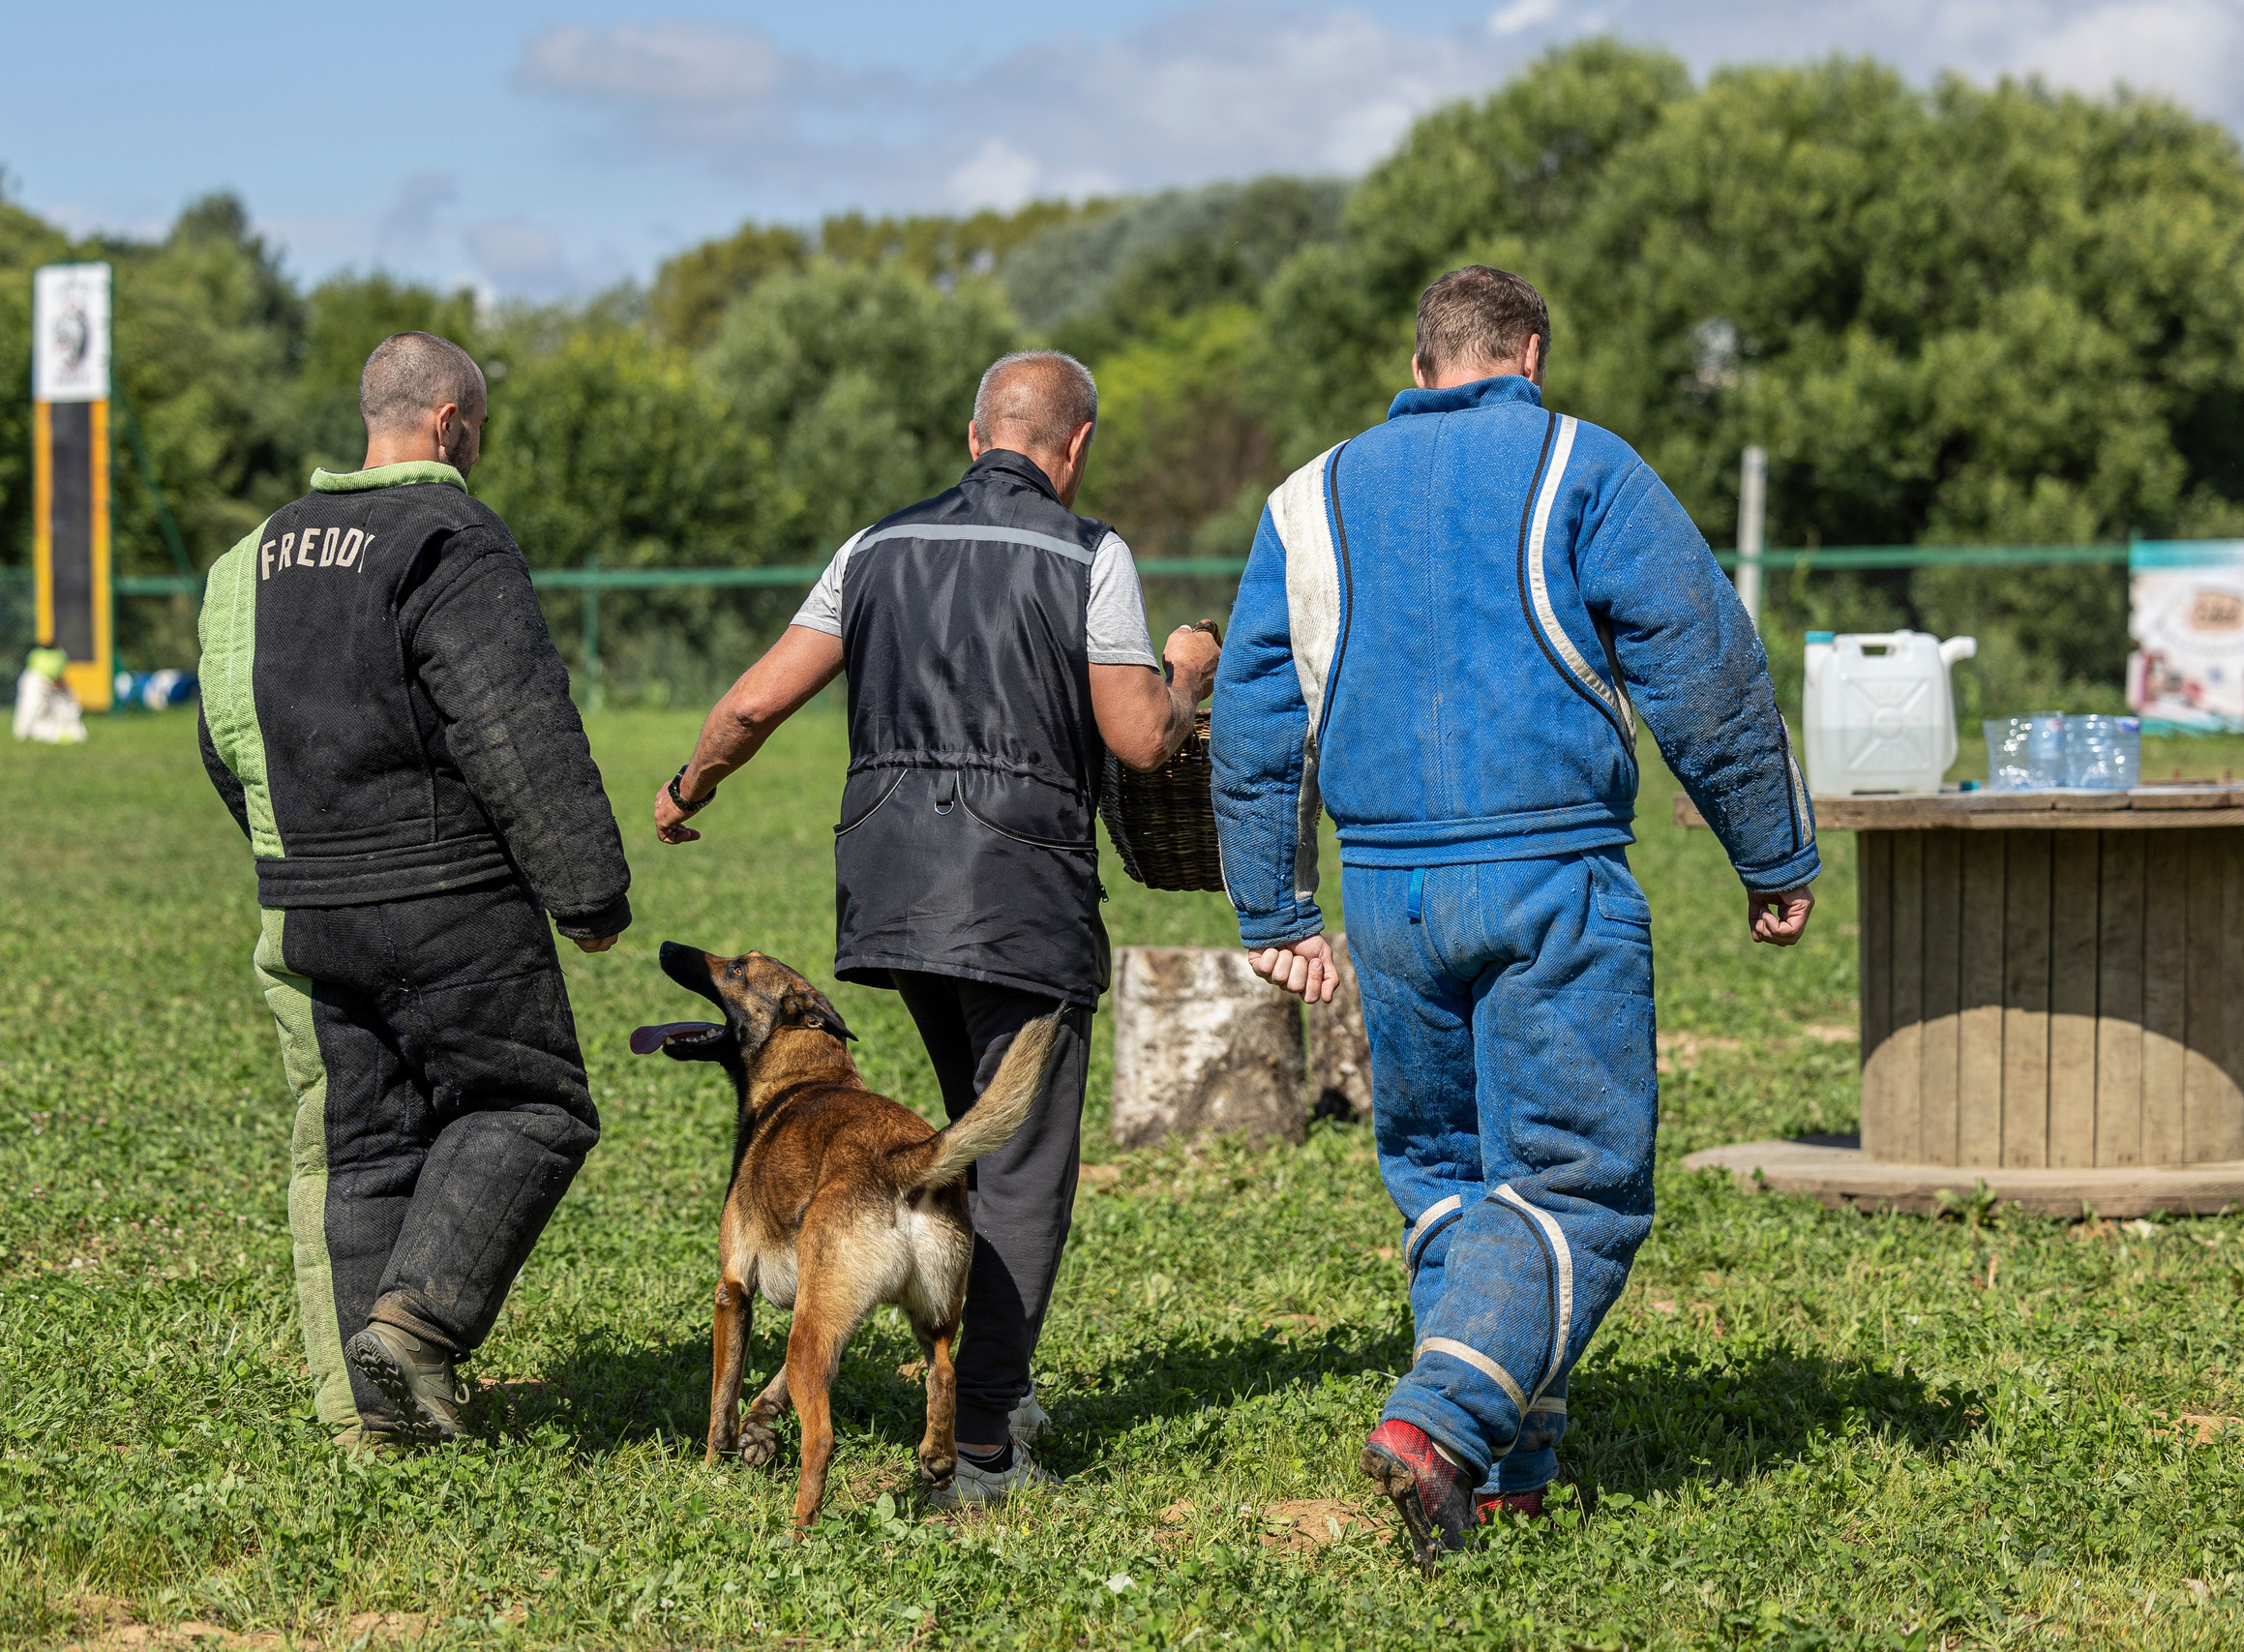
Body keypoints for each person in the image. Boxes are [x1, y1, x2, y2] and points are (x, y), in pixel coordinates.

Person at [1210, 266, 1816, 1559]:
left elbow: (1255, 716)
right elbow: (1701, 657)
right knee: (1578, 1176)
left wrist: (1275, 902)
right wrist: (1771, 849)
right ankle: (1436, 1419)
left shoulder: (1305, 498)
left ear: (1422, 363)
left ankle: (1501, 1468)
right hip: (1549, 873)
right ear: (1528, 354)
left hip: (1383, 891)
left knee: (1448, 1172)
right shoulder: (1582, 465)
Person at [653, 349, 1221, 1506]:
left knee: (965, 1130)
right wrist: (1185, 671)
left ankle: (988, 1396)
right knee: (1016, 1168)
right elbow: (1138, 739)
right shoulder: (1091, 552)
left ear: (975, 439)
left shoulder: (874, 545)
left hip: (891, 893)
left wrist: (688, 786)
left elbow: (756, 699)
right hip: (1021, 896)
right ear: (1076, 447)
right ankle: (979, 1449)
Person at [195, 331, 633, 1453]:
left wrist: (301, 854)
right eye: (474, 429)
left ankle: (366, 1422)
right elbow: (513, 728)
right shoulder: (450, 536)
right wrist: (586, 892)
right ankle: (418, 1332)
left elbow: (224, 741)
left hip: (307, 899)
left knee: (358, 1145)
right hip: (452, 899)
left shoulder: (246, 560)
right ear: (449, 425)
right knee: (527, 1104)